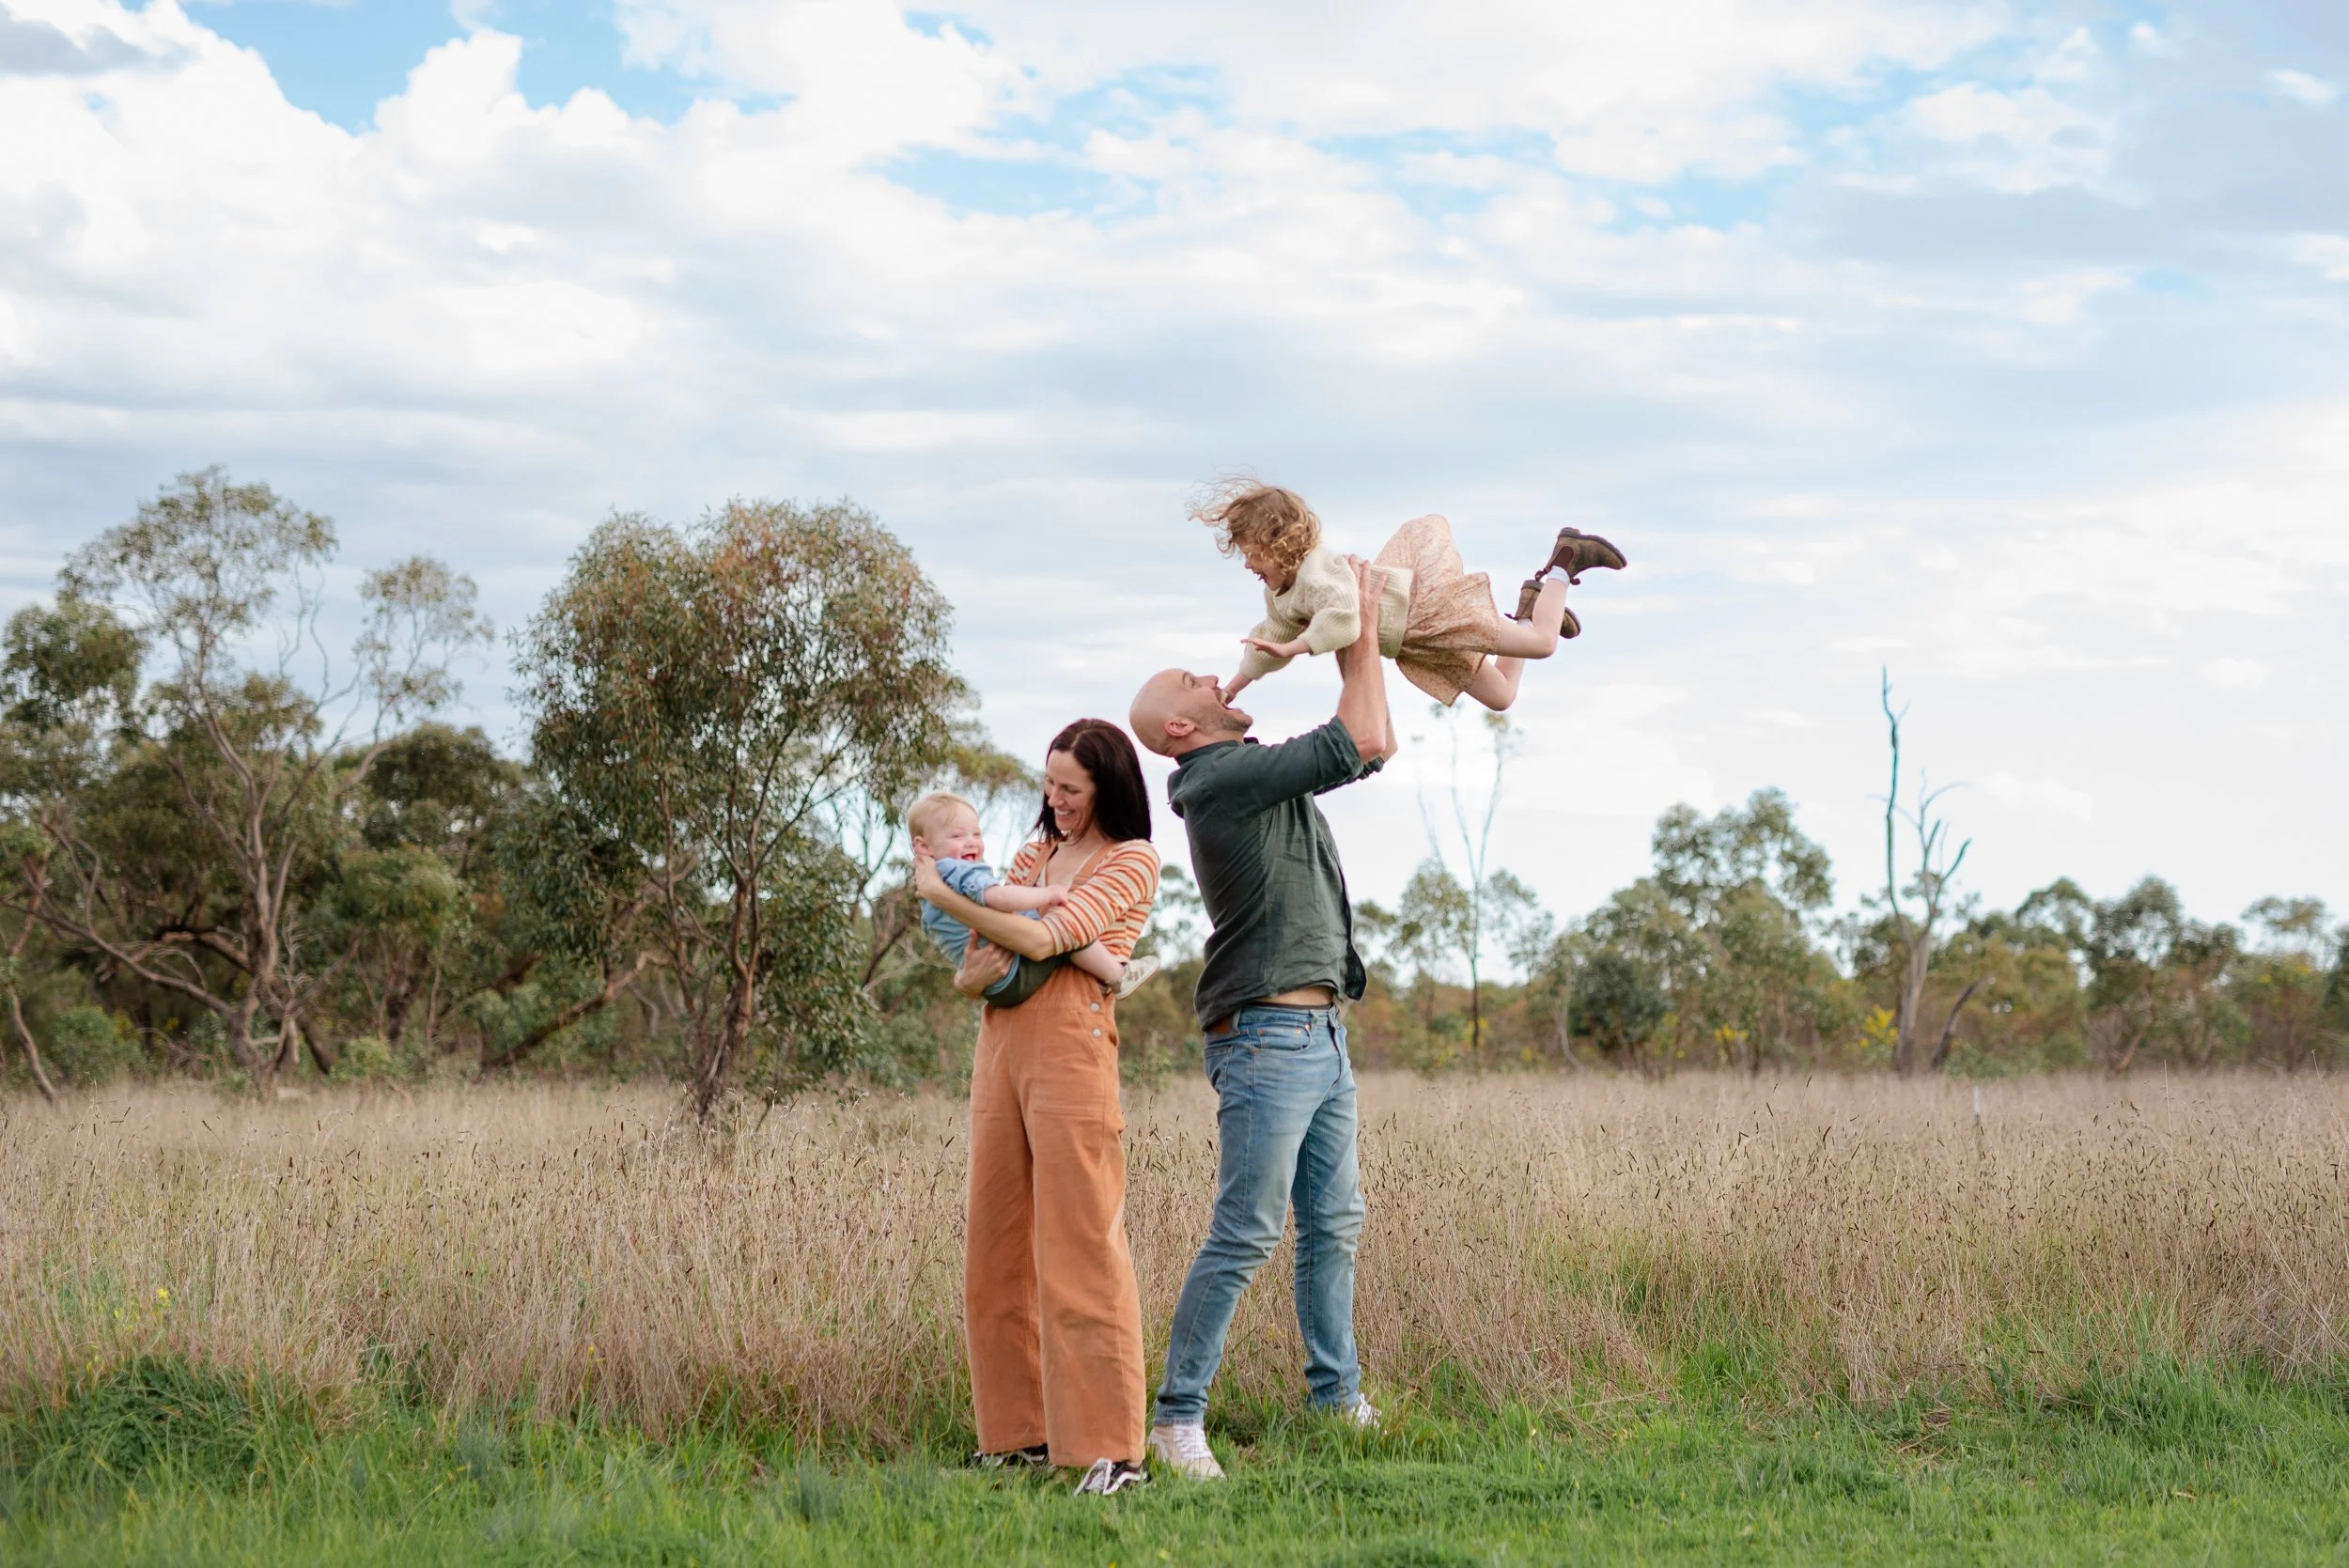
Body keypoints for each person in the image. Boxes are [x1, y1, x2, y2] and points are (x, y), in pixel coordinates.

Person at [1126, 556, 1399, 1483]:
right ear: (1180, 726)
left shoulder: (1252, 772)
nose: (1216, 674)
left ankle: (1336, 1400)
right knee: (1246, 1229)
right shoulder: (1218, 780)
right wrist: (1357, 625)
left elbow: (1375, 743)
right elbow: (1359, 731)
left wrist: (1359, 636)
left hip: (1321, 1033)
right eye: (1194, 680)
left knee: (1333, 1223)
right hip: (1267, 1039)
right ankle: (1176, 1419)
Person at [910, 720, 1162, 1498]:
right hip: (1001, 1042)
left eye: (1070, 789)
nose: (1054, 800)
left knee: (1081, 1244)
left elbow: (1047, 938)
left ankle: (1111, 1452)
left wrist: (940, 891)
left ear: (1107, 788)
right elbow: (981, 960)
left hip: (1071, 1045)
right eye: (1049, 784)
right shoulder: (1035, 854)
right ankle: (1016, 1436)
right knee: (995, 1244)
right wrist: (966, 975)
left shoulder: (1132, 859)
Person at [1198, 479, 1626, 713]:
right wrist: (1232, 689)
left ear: (1281, 544)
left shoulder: (1317, 571)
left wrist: (1295, 647)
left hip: (1427, 610)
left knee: (1543, 645)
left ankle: (1565, 561)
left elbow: (1343, 618)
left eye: (1253, 554)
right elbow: (1269, 639)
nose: (1248, 565)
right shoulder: (1282, 593)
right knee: (1501, 697)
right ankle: (1529, 609)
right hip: (1416, 641)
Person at [906, 790, 1159, 1004]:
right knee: (1071, 933)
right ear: (923, 846)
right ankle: (1118, 975)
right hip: (1015, 973)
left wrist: (967, 979)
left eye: (977, 834)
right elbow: (1001, 899)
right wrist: (1047, 894)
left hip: (996, 990)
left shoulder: (931, 890)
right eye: (957, 836)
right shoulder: (960, 871)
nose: (972, 843)